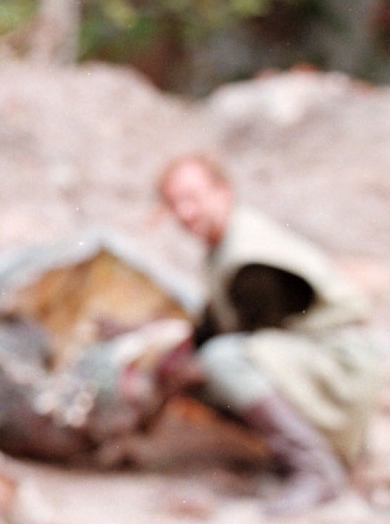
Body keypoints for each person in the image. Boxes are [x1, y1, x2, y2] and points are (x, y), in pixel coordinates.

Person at [157, 153, 382, 514]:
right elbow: (211, 326)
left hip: (343, 364)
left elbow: (242, 341)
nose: (184, 212)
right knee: (205, 367)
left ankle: (317, 467)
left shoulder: (250, 256)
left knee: (221, 363)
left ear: (223, 191)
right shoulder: (224, 247)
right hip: (314, 359)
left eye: (192, 198)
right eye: (174, 204)